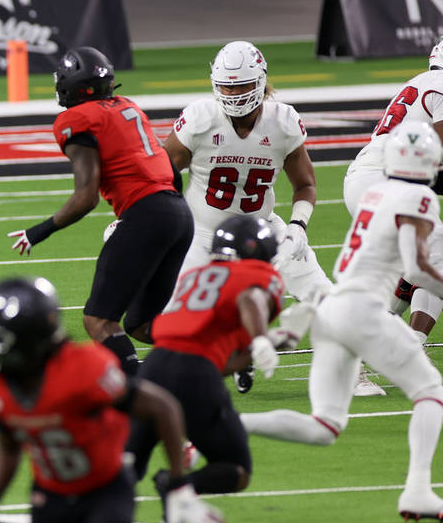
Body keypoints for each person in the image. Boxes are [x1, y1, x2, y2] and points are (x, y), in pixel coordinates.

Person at [0, 276, 225, 523]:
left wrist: (178, 482)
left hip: (106, 489)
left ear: (28, 340)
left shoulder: (84, 369)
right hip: (51, 495)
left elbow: (163, 408)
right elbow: (10, 444)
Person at [242, 122, 443, 520]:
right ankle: (418, 489)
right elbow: (416, 266)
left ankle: (226, 421)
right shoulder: (419, 197)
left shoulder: (378, 192)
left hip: (332, 308)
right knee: (431, 392)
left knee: (325, 425)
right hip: (362, 310)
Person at [162, 41, 378, 395]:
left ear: (261, 82)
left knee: (323, 293)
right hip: (202, 231)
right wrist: (142, 218)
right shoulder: (201, 117)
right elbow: (160, 171)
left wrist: (297, 226)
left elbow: (305, 184)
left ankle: (351, 370)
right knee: (176, 315)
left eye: (242, 85)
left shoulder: (283, 121)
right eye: (227, 85)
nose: (233, 94)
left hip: (261, 233)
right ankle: (209, 364)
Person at [8, 46, 193, 377]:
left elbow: (86, 197)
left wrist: (40, 230)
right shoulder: (129, 107)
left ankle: (136, 394)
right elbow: (171, 172)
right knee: (141, 324)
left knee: (99, 320)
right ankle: (213, 349)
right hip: (179, 214)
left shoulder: (76, 119)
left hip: (148, 213)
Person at [127, 215, 299, 523]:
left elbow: (216, 361)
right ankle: (178, 487)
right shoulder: (258, 275)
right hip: (196, 376)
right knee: (237, 469)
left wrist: (265, 345)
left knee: (128, 463)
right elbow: (252, 297)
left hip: (155, 366)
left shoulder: (195, 277)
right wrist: (261, 339)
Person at [344, 35, 443, 345]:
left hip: (370, 174)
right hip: (388, 176)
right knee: (435, 255)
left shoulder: (421, 82)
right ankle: (407, 346)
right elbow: (438, 152)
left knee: (417, 262)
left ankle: (391, 340)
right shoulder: (441, 85)